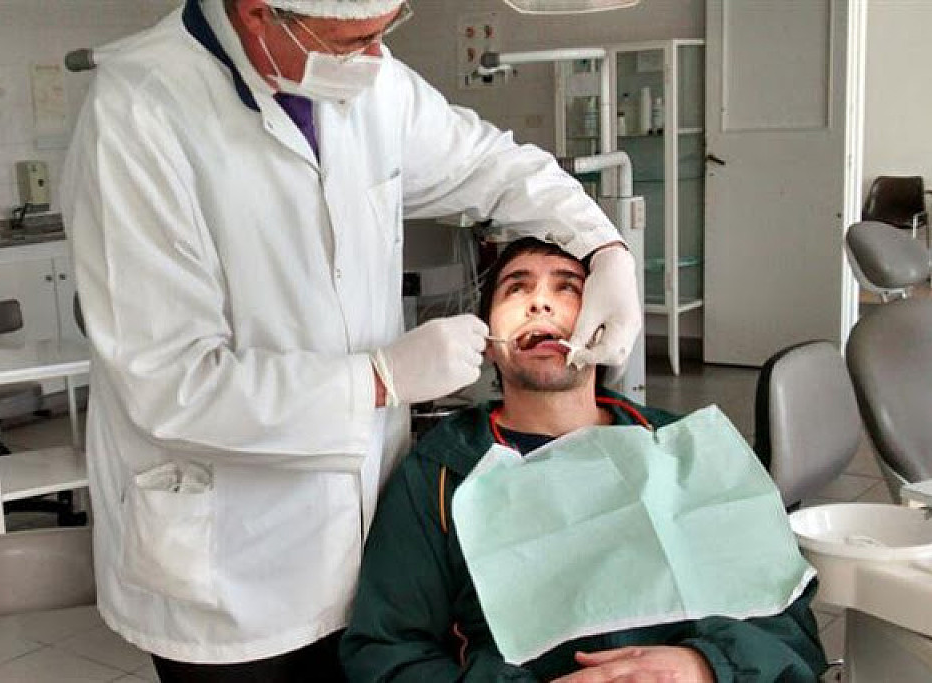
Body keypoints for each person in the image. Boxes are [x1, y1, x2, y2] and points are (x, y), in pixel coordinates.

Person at [59, 0, 643, 680]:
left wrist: (602, 245)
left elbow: (495, 166)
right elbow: (171, 385)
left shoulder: (370, 83)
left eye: (384, 31)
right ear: (259, 14)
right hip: (230, 574)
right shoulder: (139, 113)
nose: (375, 59)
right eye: (352, 40)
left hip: (377, 554)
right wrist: (380, 379)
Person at [340, 237, 829, 682]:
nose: (540, 302)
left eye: (568, 288)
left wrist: (705, 666)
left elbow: (787, 624)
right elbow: (386, 651)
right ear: (488, 344)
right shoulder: (443, 474)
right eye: (516, 289)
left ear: (607, 319)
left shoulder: (686, 448)